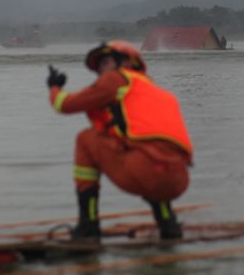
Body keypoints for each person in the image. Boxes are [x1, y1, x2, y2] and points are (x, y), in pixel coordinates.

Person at [46, 41, 193, 241]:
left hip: (143, 171)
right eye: (99, 67)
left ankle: (88, 226)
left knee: (85, 138)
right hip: (178, 180)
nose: (101, 70)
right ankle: (168, 225)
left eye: (105, 62)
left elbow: (65, 104)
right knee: (149, 151)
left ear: (125, 62)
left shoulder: (115, 80)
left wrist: (54, 87)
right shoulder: (151, 88)